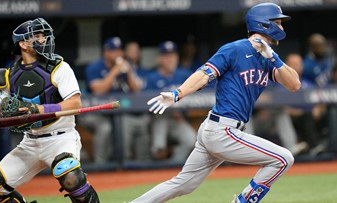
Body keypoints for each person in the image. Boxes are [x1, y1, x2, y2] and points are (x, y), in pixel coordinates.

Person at [129, 3, 300, 203]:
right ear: (264, 25)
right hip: (223, 132)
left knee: (183, 184)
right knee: (283, 158)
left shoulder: (266, 58)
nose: (281, 27)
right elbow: (204, 74)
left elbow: (294, 84)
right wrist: (178, 93)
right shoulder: (234, 49)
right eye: (277, 22)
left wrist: (274, 57)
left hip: (219, 130)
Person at [0, 18, 100, 203]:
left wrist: (37, 108)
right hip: (30, 142)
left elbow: (75, 104)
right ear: (22, 44)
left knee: (69, 175)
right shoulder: (9, 75)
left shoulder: (59, 67)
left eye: (43, 36)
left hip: (61, 138)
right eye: (36, 36)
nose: (43, 40)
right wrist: (1, 110)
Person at [81, 37, 143, 163]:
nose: (118, 54)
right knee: (105, 128)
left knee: (128, 123)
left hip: (116, 112)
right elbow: (99, 90)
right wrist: (115, 71)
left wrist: (129, 72)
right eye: (114, 51)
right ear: (106, 52)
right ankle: (100, 164)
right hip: (94, 112)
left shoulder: (125, 66)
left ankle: (122, 161)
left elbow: (137, 90)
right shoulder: (95, 67)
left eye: (119, 50)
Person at [145, 41, 196, 162]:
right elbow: (144, 103)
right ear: (159, 59)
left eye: (173, 56)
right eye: (166, 56)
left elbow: (203, 90)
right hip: (158, 119)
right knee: (159, 144)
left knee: (190, 139)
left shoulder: (184, 74)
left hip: (178, 120)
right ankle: (158, 161)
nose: (170, 59)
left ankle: (172, 165)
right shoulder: (151, 78)